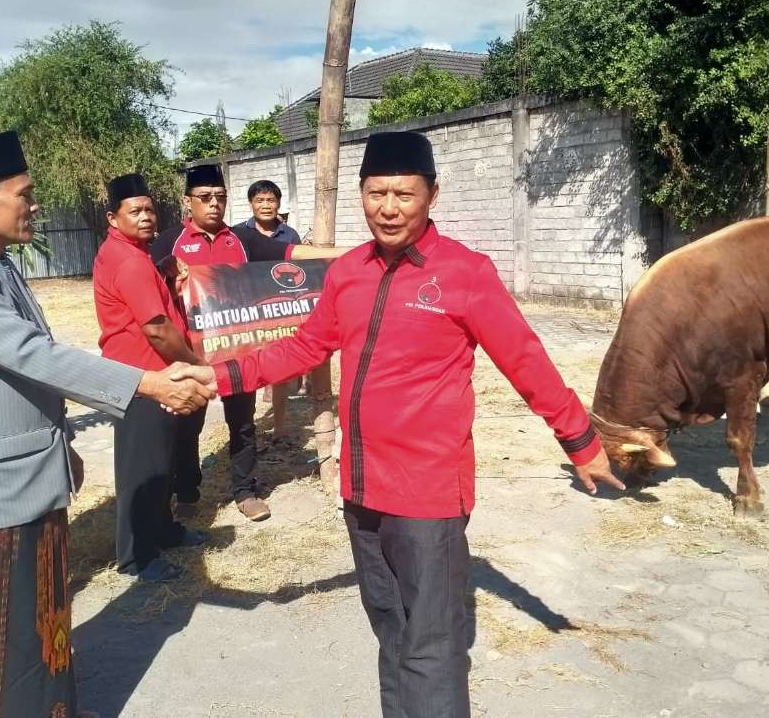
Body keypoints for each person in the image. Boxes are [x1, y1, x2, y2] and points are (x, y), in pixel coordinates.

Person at [176, 131, 624, 717]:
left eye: (404, 194)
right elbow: (305, 348)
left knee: (431, 645)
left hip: (427, 493)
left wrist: (581, 440)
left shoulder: (465, 272)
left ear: (431, 195)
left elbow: (525, 360)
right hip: (362, 489)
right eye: (375, 192)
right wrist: (220, 378)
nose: (388, 208)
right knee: (390, 628)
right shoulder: (348, 273)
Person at [0, 131, 214, 718]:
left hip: (22, 475)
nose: (36, 205)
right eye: (26, 194)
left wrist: (57, 441)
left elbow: (26, 366)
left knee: (38, 621)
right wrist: (146, 382)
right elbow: (33, 355)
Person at [154, 163, 345, 522]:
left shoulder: (241, 239)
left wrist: (361, 251)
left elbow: (294, 255)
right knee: (187, 425)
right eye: (205, 198)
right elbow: (149, 282)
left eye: (220, 198)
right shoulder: (169, 242)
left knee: (242, 423)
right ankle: (189, 494)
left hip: (236, 352)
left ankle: (245, 491)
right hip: (189, 354)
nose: (214, 204)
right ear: (187, 201)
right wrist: (169, 272)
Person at [93, 173, 208, 583]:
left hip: (152, 376)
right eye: (135, 211)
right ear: (113, 216)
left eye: (149, 209)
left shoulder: (136, 255)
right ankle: (136, 556)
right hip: (141, 380)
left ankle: (162, 530)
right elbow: (157, 329)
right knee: (142, 469)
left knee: (162, 463)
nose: (145, 217)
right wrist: (197, 365)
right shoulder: (129, 261)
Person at [242, 180, 303, 444]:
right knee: (247, 367)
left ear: (278, 204)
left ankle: (279, 427)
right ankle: (246, 428)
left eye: (270, 200)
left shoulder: (290, 236)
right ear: (251, 204)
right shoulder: (237, 235)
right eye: (260, 200)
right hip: (246, 310)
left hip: (281, 311)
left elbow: (301, 272)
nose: (265, 205)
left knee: (279, 368)